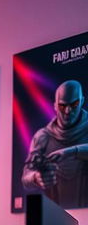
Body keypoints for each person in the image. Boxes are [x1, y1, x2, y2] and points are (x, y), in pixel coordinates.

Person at [22, 79, 88, 208]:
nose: (68, 111)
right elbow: (26, 176)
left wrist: (70, 152)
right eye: (63, 106)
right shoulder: (43, 136)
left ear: (82, 102)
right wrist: (36, 177)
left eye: (74, 104)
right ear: (55, 106)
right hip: (55, 217)